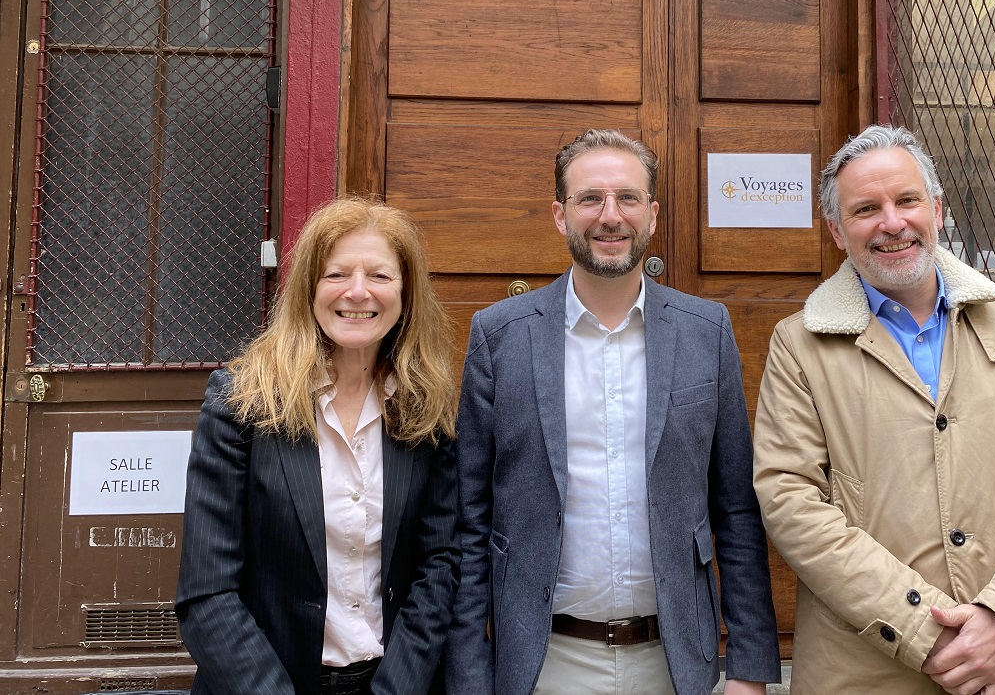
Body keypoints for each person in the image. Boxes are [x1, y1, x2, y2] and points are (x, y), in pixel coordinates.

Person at [753, 125, 995, 695]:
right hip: (867, 672)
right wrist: (927, 630)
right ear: (837, 231)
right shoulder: (800, 347)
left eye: (907, 200)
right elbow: (793, 506)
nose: (891, 222)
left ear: (937, 209)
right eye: (866, 208)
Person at [446, 129, 780, 695]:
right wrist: (469, 672)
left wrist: (748, 665)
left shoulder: (707, 331)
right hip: (542, 662)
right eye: (589, 199)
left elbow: (736, 509)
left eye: (627, 198)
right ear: (560, 214)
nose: (610, 216)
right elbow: (470, 517)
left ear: (651, 214)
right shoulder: (499, 336)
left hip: (674, 662)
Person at [176, 197, 460, 695]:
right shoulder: (241, 404)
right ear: (308, 288)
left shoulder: (426, 409)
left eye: (379, 275)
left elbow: (438, 568)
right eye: (336, 274)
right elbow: (207, 592)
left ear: (406, 292)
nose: (357, 292)